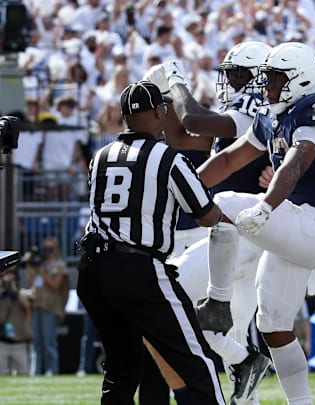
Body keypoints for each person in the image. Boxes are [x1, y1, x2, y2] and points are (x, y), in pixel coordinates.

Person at [196, 42, 315, 405]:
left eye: (277, 78)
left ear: (300, 79)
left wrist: (266, 205)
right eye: (269, 78)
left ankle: (216, 302)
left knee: (227, 203)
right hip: (293, 227)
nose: (269, 86)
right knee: (272, 324)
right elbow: (230, 160)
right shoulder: (270, 114)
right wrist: (185, 187)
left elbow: (299, 157)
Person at [76, 80, 229, 405]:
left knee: (121, 367)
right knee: (197, 360)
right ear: (158, 113)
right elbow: (206, 214)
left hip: (93, 271)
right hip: (138, 267)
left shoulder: (100, 157)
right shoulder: (167, 158)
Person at [144, 41, 274, 404]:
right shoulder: (243, 114)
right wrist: (163, 100)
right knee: (230, 334)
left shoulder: (256, 106)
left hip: (242, 234)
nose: (229, 83)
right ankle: (243, 365)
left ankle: (245, 360)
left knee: (175, 302)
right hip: (231, 237)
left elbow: (195, 121)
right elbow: (183, 135)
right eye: (228, 74)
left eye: (236, 75)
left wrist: (176, 81)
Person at [27, 237, 69, 376]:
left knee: (49, 342)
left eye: (50, 248)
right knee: (36, 342)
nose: (47, 251)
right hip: (36, 304)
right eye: (45, 248)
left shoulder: (59, 265)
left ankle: (52, 371)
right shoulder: (40, 263)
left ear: (56, 249)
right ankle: (36, 371)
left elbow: (55, 286)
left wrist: (41, 272)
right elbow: (32, 283)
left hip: (50, 307)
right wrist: (29, 265)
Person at [0, 269, 33, 375]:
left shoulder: (21, 293)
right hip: (2, 342)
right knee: (3, 374)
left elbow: (28, 306)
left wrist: (15, 291)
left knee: (23, 373)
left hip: (19, 342)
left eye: (11, 276)